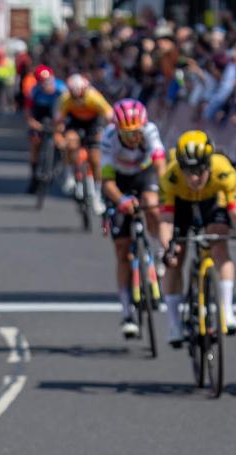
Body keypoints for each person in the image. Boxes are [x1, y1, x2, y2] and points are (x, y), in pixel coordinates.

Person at [159, 130, 236, 347]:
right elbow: (166, 220)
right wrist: (168, 248)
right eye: (187, 171)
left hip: (211, 201)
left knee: (219, 244)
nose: (193, 178)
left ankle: (227, 312)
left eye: (199, 170)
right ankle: (174, 324)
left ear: (208, 164)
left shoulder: (223, 170)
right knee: (175, 258)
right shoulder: (170, 176)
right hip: (181, 206)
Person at [100, 99, 166, 337]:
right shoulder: (108, 138)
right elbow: (106, 181)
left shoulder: (149, 131)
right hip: (118, 181)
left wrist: (166, 193)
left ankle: (159, 253)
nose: (133, 138)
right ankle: (127, 311)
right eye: (127, 134)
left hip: (143, 174)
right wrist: (120, 201)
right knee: (121, 249)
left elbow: (160, 166)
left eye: (136, 133)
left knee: (151, 204)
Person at [57, 73, 113, 216]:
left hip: (93, 123)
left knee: (95, 158)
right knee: (70, 142)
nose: (78, 100)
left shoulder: (94, 97)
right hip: (74, 122)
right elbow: (59, 120)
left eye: (80, 96)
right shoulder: (66, 98)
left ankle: (97, 193)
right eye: (74, 97)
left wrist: (107, 134)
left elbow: (109, 116)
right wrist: (59, 134)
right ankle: (70, 173)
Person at [25, 65, 66, 194]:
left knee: (60, 141)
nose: (47, 84)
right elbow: (28, 111)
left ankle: (56, 165)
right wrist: (32, 122)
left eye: (49, 81)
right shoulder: (35, 91)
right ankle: (34, 176)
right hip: (40, 114)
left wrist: (62, 125)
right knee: (35, 141)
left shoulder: (62, 89)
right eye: (43, 82)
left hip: (58, 114)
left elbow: (68, 110)